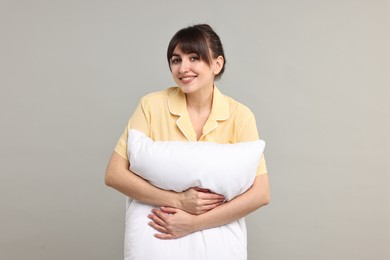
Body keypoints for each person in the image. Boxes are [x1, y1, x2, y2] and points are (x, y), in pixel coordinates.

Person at [105, 24, 270, 258]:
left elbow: (261, 193)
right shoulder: (151, 106)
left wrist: (194, 223)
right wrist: (179, 201)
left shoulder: (240, 115)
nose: (183, 68)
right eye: (176, 60)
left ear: (217, 64)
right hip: (156, 238)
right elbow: (114, 174)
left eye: (194, 58)